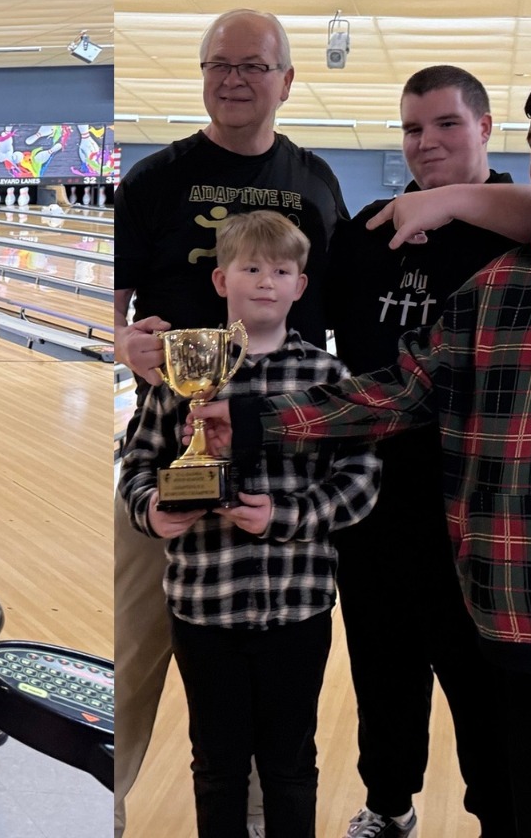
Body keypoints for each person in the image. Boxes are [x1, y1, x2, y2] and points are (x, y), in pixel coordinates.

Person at [197, 67, 531, 837]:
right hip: (523, 631)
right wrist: (254, 418)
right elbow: (399, 389)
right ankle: (390, 801)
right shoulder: (497, 287)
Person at [111, 9, 347, 835]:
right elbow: (106, 307)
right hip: (171, 435)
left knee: (273, 712)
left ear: (287, 80)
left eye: (253, 65)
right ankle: (106, 803)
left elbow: (334, 306)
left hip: (283, 450)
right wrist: (121, 342)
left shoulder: (316, 181)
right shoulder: (155, 178)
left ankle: (254, 819)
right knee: (135, 652)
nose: (234, 79)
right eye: (219, 64)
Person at [121, 211, 379, 838]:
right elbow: (138, 463)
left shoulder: (328, 379)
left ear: (301, 285)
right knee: (216, 764)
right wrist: (152, 509)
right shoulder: (182, 368)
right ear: (221, 280)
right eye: (252, 268)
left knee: (290, 764)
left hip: (298, 604)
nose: (267, 281)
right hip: (203, 604)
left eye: (282, 271)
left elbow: (361, 478)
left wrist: (285, 516)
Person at [324, 67, 519, 838]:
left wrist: (452, 201)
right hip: (376, 500)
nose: (426, 142)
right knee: (383, 673)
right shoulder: (368, 233)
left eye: (446, 124)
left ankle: (500, 816)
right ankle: (389, 805)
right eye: (412, 128)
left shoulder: (529, 233)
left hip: (483, 508)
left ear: (486, 128)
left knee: (485, 687)